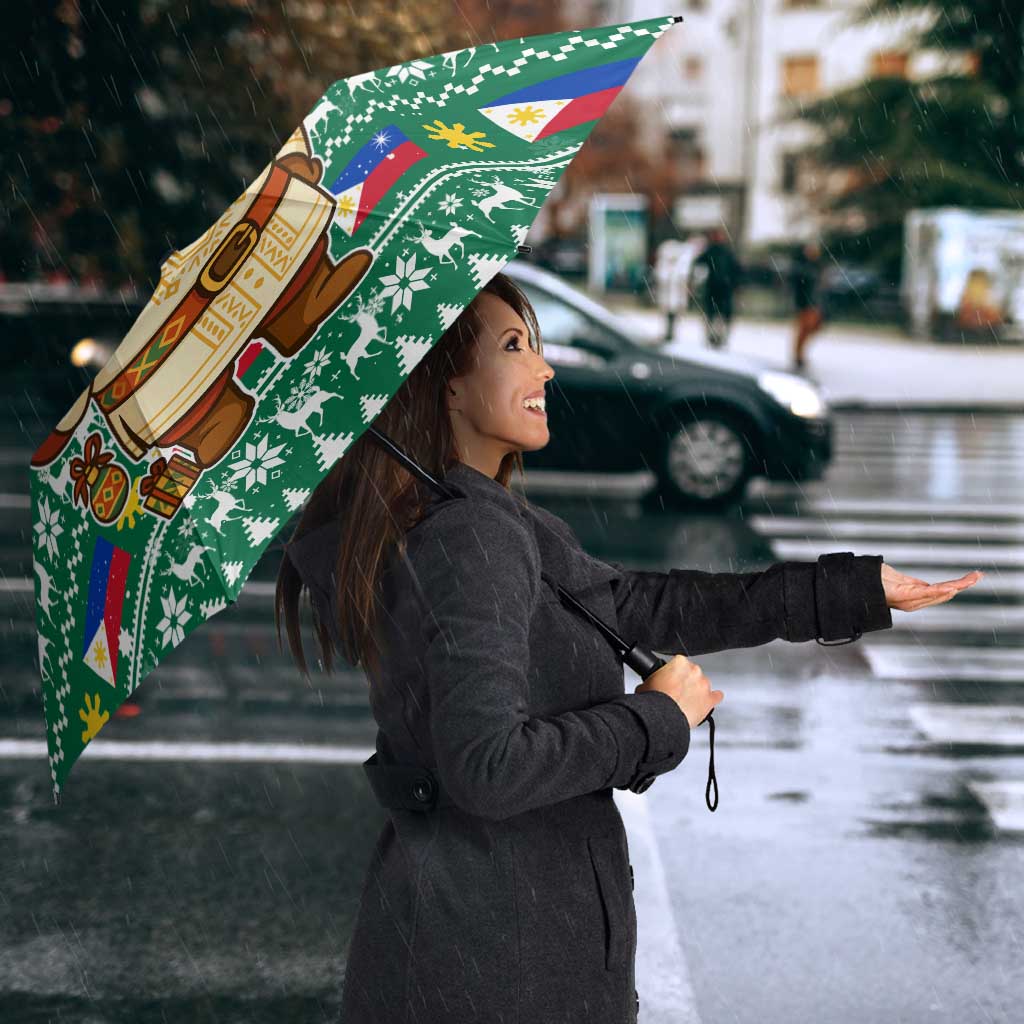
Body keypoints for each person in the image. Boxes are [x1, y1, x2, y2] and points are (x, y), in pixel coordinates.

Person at [276, 272, 972, 1024]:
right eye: (515, 346)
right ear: (446, 386)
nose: (544, 368)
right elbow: (488, 768)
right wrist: (656, 719)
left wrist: (850, 591)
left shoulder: (473, 518)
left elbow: (640, 605)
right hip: (497, 964)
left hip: (476, 945)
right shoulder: (469, 537)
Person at [692, 226, 742, 349]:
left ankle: (719, 337)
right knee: (713, 314)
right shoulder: (712, 251)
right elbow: (698, 264)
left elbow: (736, 270)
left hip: (723, 288)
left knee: (720, 315)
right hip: (715, 288)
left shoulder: (725, 252)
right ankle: (713, 337)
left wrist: (735, 284)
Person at [790, 239, 826, 370]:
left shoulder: (817, 266)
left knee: (812, 328)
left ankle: (799, 354)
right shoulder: (802, 267)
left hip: (814, 303)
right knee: (804, 329)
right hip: (805, 303)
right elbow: (799, 286)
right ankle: (798, 355)